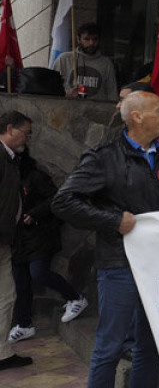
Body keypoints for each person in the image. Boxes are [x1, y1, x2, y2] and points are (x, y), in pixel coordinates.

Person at [52, 91, 159, 387]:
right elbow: (63, 201)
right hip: (119, 264)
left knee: (150, 344)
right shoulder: (104, 156)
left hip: (156, 265)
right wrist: (114, 220)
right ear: (137, 117)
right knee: (111, 346)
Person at [9, 146, 87, 344]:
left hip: (39, 235)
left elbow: (56, 198)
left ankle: (75, 297)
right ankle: (24, 324)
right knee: (20, 281)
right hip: (18, 238)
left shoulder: (35, 176)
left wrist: (34, 214)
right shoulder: (8, 180)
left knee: (39, 272)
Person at [0, 111, 34, 369]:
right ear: (10, 129)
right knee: (6, 295)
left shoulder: (10, 158)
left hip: (5, 238)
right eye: (26, 132)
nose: (27, 139)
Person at [51, 22, 118, 100]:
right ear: (79, 39)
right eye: (87, 39)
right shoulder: (64, 59)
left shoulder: (106, 63)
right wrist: (66, 95)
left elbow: (112, 93)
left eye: (95, 39)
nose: (91, 43)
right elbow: (52, 89)